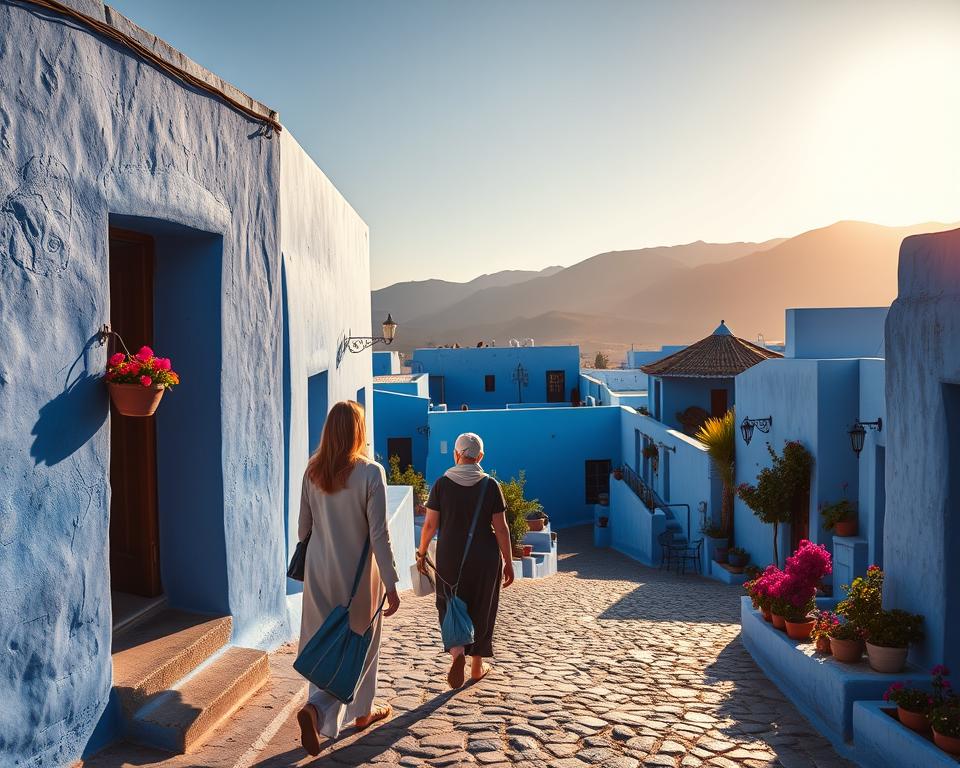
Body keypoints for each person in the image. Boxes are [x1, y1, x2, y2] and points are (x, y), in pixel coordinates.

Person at [296, 401, 401, 756]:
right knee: (361, 644)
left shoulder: (312, 470)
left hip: (319, 570)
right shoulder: (371, 473)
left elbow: (302, 530)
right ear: (359, 431)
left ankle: (321, 709)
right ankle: (351, 712)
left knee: (321, 641)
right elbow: (379, 535)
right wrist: (391, 583)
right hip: (358, 576)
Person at [416, 432, 514, 689]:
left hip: (449, 555)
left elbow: (429, 524)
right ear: (480, 456)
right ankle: (477, 666)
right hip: (484, 557)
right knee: (483, 606)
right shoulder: (490, 485)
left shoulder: (441, 484)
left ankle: (457, 651)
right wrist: (509, 561)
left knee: (449, 604)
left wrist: (422, 551)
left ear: (456, 454)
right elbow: (501, 528)